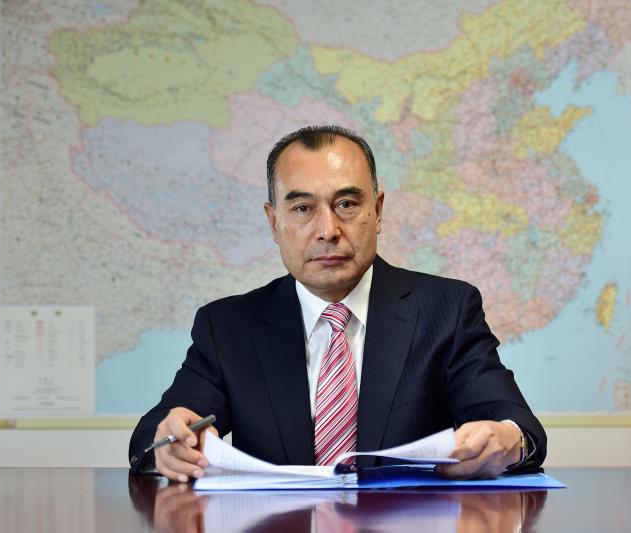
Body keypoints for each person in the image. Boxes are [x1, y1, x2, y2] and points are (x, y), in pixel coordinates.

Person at [128, 125, 546, 482]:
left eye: (346, 204)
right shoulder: (227, 326)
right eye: (302, 208)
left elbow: (519, 427)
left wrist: (507, 440)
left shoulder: (446, 310)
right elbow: (150, 439)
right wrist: (170, 442)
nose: (327, 230)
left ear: (377, 212)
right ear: (274, 222)